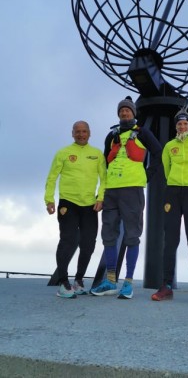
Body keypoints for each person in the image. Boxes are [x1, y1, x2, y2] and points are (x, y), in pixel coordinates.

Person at [91, 96, 162, 299]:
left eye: (128, 110)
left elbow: (158, 152)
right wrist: (101, 193)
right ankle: (111, 281)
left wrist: (148, 174)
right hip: (111, 190)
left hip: (132, 189)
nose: (124, 113)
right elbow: (105, 164)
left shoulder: (143, 132)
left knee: (132, 236)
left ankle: (128, 283)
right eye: (121, 110)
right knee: (108, 236)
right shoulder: (111, 136)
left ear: (133, 113)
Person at [151, 108, 188, 304]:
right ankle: (166, 286)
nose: (182, 126)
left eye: (185, 123)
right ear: (176, 127)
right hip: (173, 192)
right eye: (179, 124)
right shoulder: (169, 146)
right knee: (170, 239)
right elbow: (167, 170)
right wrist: (175, 184)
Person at [44, 121, 106, 299]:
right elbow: (52, 177)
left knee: (88, 244)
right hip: (68, 203)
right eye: (77, 132)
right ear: (72, 133)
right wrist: (49, 200)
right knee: (68, 241)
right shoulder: (63, 153)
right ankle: (63, 282)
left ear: (89, 133)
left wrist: (101, 198)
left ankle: (78, 281)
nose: (81, 134)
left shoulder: (96, 154)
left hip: (89, 205)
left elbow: (104, 178)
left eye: (84, 131)